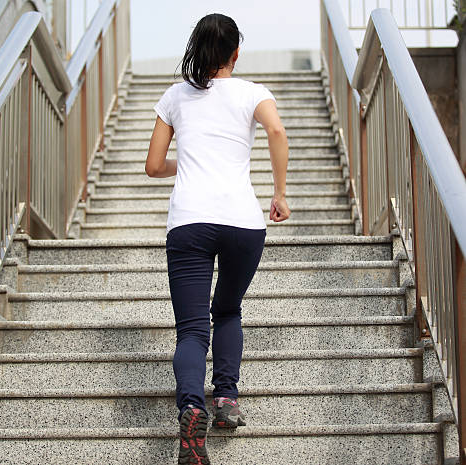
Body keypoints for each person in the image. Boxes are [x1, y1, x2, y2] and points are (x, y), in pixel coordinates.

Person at [145, 13, 290, 465]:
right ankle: (226, 399)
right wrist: (280, 193)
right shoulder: (253, 93)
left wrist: (186, 164)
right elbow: (277, 132)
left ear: (198, 49)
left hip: (189, 221)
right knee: (227, 309)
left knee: (191, 329)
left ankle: (191, 407)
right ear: (235, 53)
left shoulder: (174, 98)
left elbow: (152, 166)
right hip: (242, 221)